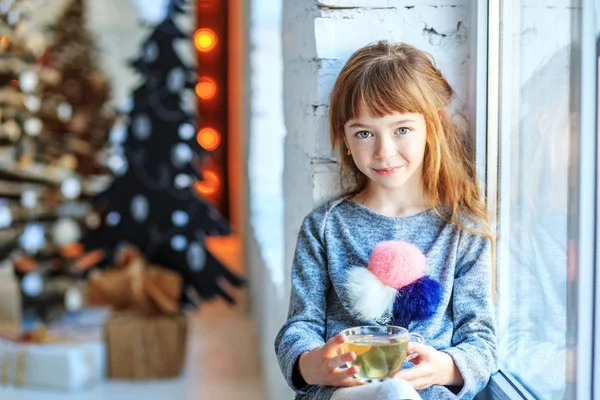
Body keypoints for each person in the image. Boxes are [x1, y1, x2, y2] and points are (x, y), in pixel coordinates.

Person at [274, 41, 497, 400]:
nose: (384, 151)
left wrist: (444, 367)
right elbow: (300, 326)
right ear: (345, 140)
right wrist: (312, 363)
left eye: (402, 130)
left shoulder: (462, 229)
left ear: (432, 126)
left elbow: (482, 339)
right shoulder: (325, 227)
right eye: (364, 133)